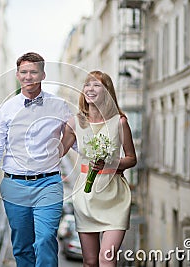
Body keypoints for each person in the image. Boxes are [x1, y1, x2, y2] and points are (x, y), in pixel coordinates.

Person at [0, 52, 72, 267]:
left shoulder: (60, 106)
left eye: (33, 71)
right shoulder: (7, 109)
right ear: (17, 75)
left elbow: (76, 140)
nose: (28, 76)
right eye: (24, 72)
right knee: (22, 246)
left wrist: (102, 158)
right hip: (15, 184)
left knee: (45, 239)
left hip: (49, 183)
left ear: (43, 74)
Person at [61, 70, 137, 266]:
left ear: (107, 91)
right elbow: (57, 152)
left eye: (97, 85)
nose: (91, 88)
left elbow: (131, 159)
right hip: (86, 197)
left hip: (115, 197)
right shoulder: (75, 122)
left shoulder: (120, 122)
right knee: (90, 261)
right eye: (88, 84)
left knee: (107, 258)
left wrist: (112, 163)